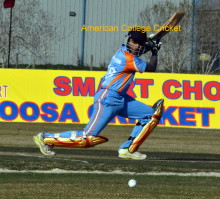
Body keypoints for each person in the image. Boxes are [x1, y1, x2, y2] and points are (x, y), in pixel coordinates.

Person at [33, 29, 161, 160]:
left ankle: (127, 149)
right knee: (87, 138)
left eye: (139, 43)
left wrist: (149, 46)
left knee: (149, 115)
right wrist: (154, 50)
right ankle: (45, 138)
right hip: (108, 98)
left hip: (121, 98)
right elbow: (151, 67)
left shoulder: (125, 54)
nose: (136, 45)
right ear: (128, 40)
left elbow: (138, 54)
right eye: (134, 42)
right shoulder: (126, 57)